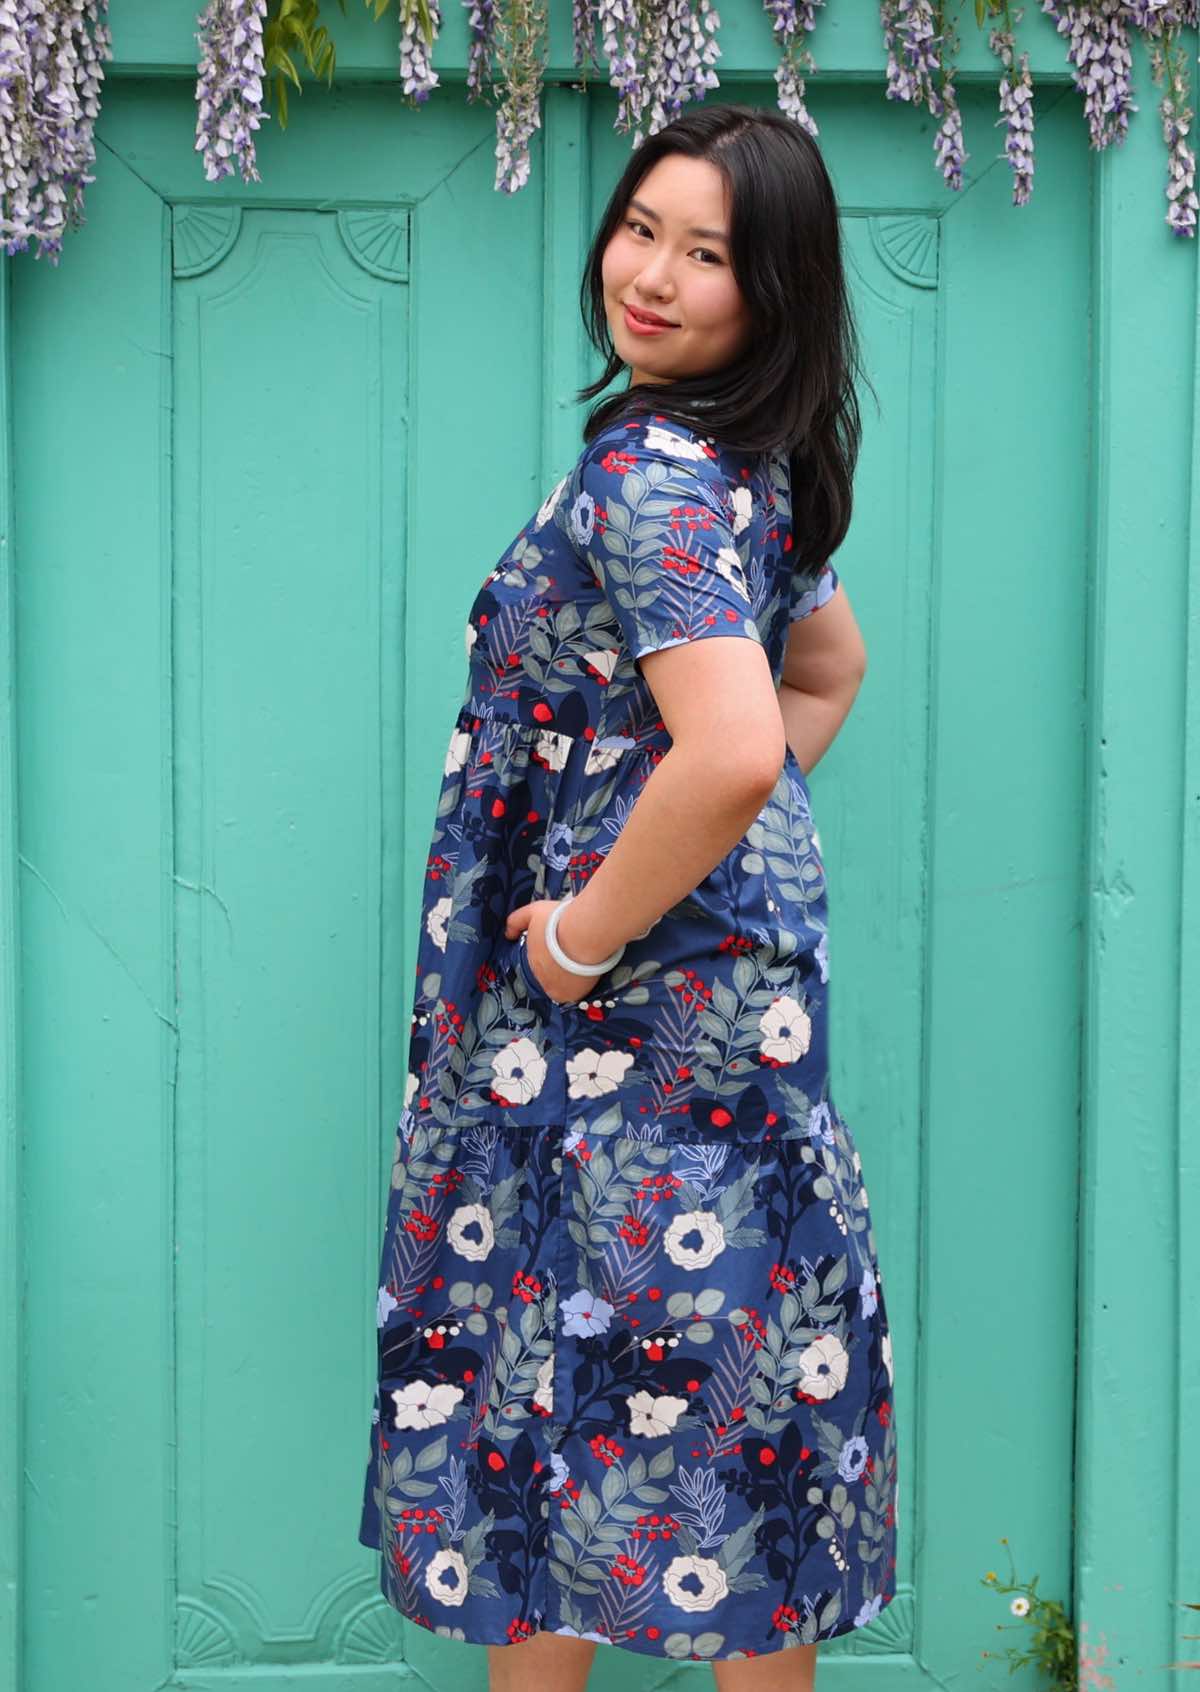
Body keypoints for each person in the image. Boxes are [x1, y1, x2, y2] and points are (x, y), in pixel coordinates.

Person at [357, 101, 898, 1692]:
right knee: (731, 1419)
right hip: (718, 1035)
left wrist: (591, 931)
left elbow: (733, 745)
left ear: (775, 290)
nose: (650, 275)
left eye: (708, 253)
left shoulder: (656, 478)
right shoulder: (744, 469)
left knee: (550, 1402)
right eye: (640, 227)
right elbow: (826, 669)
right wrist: (708, 856)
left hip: (610, 1037)